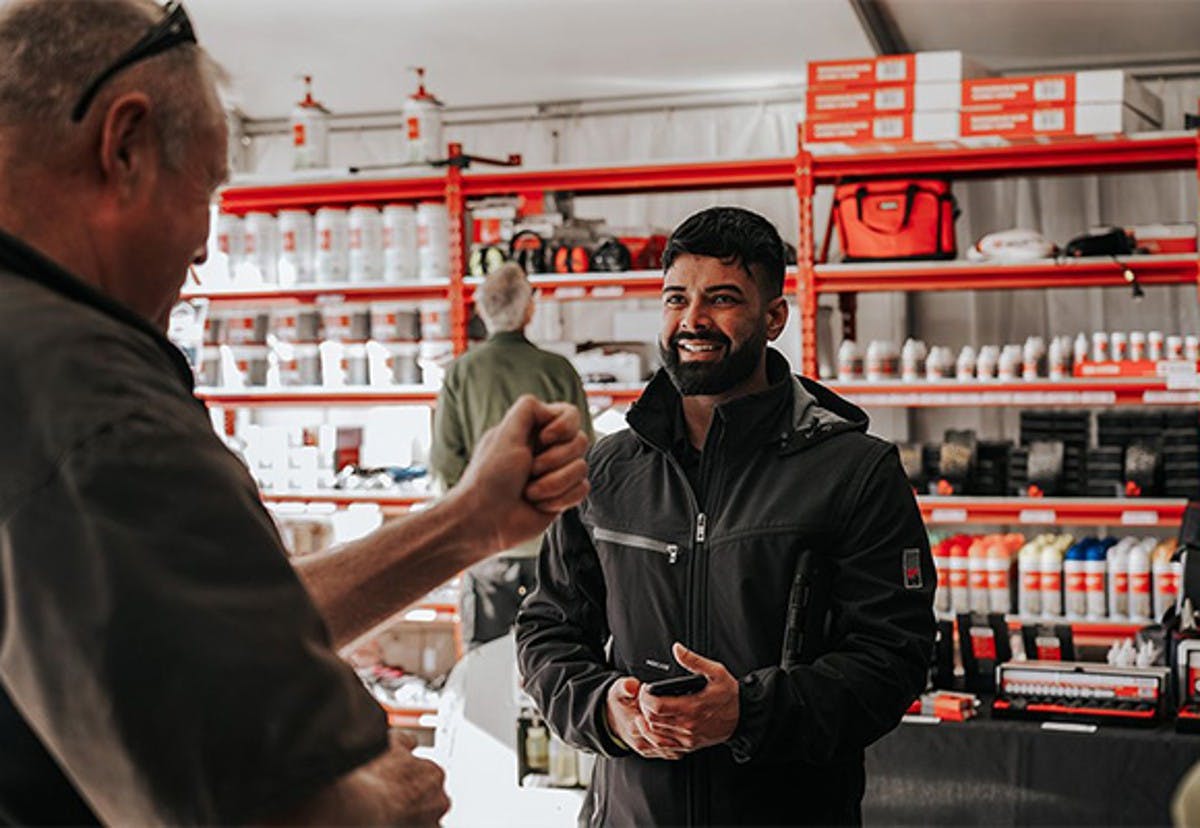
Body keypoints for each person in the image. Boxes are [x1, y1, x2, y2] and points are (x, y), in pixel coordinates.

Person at [0, 1, 589, 825]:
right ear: (124, 148)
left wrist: (466, 523)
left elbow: (194, 629)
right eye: (205, 187)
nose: (204, 248)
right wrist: (388, 798)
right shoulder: (95, 407)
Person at [516, 206, 935, 826]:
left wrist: (748, 711)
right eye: (676, 298)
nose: (692, 320)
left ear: (774, 318)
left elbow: (892, 658)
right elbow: (547, 628)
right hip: (632, 815)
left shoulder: (853, 470)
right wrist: (605, 708)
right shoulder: (606, 470)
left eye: (721, 299)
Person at [432, 262, 594, 647]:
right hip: (552, 547)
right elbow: (586, 453)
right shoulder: (558, 370)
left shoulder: (460, 372)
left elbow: (444, 462)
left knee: (484, 663)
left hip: (487, 548)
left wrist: (469, 519)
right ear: (529, 310)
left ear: (482, 310)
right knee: (554, 658)